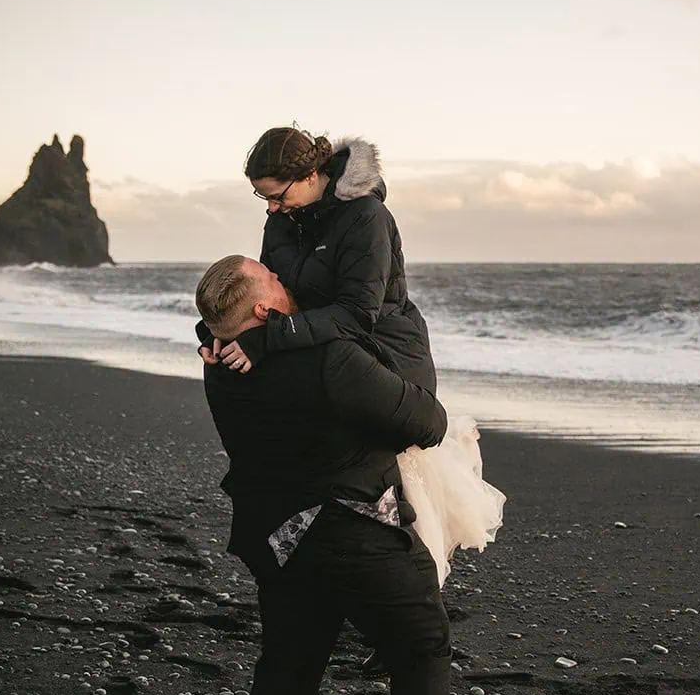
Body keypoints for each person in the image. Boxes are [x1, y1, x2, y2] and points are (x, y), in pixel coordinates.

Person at [195, 253, 486, 695]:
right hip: (355, 530)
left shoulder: (220, 364)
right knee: (421, 647)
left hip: (276, 537)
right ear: (263, 306)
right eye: (274, 277)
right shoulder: (328, 358)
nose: (286, 276)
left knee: (288, 660)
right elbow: (427, 423)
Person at [195, 127, 504, 585]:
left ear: (311, 174)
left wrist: (272, 337)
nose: (271, 209)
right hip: (320, 345)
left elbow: (360, 312)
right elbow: (266, 294)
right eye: (262, 198)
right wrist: (219, 332)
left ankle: (411, 589)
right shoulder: (282, 219)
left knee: (394, 470)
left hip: (386, 346)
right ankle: (327, 572)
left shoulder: (366, 216)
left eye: (276, 196)